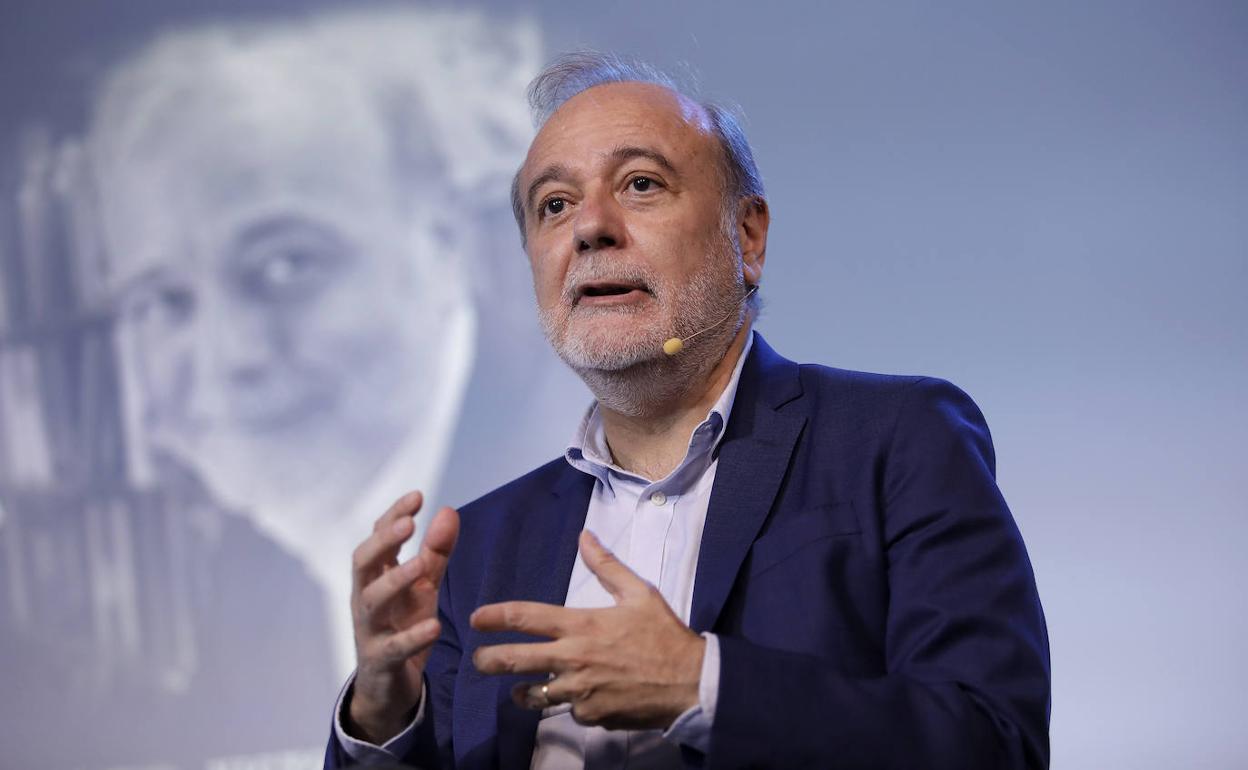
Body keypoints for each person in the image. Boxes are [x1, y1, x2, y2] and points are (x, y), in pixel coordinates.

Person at [325, 52, 1050, 769]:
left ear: (749, 236)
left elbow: (994, 743)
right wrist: (385, 716)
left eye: (640, 184)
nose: (591, 228)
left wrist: (701, 685)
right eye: (555, 205)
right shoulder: (480, 546)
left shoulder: (895, 441)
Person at [84, 7, 556, 681]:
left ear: (443, 240)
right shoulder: (235, 560)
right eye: (164, 301)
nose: (229, 359)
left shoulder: (576, 493)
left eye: (285, 267)